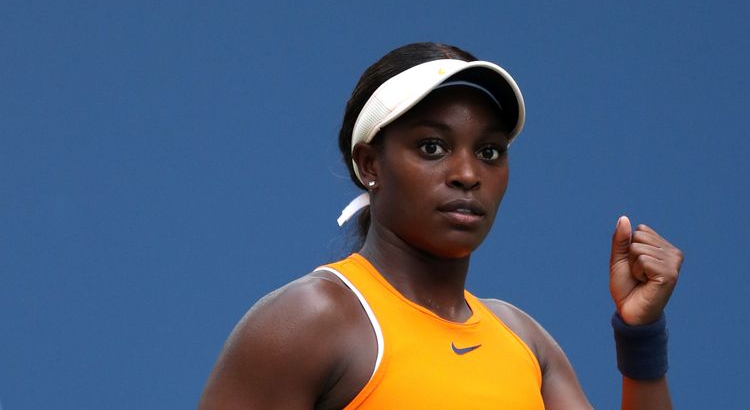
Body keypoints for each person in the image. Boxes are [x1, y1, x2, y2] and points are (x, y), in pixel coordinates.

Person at [198, 42, 684, 409]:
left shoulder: (523, 338)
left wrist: (640, 335)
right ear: (370, 165)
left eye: (489, 151)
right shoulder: (310, 320)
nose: (468, 174)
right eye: (432, 147)